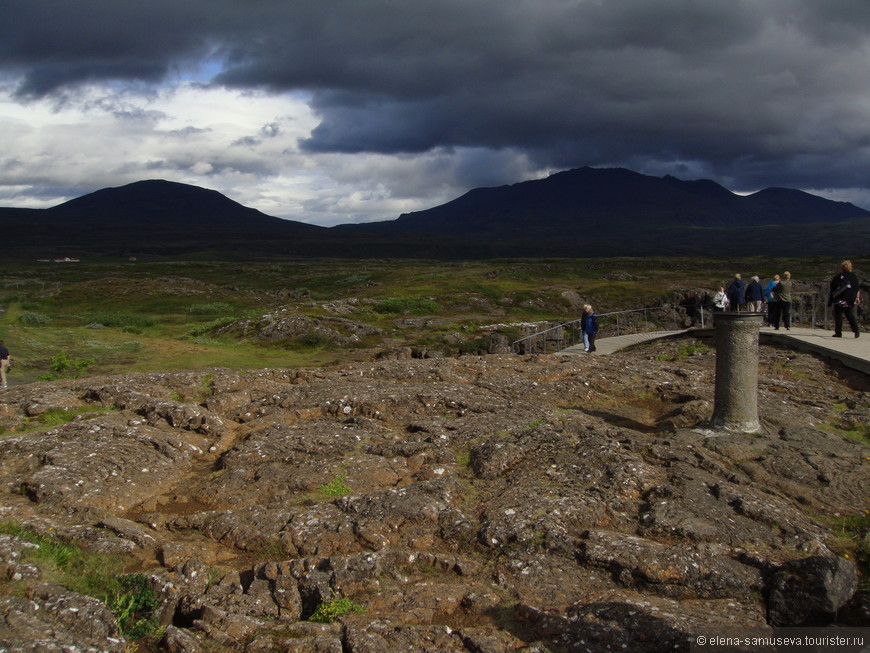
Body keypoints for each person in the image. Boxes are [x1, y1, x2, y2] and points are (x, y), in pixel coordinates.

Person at [828, 260, 861, 338]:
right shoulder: (854, 277)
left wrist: (831, 299)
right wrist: (857, 297)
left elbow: (832, 287)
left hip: (839, 299)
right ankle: (856, 330)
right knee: (849, 315)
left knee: (838, 315)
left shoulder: (838, 276)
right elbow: (857, 288)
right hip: (849, 299)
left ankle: (838, 332)